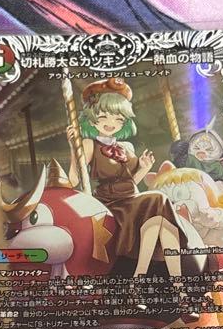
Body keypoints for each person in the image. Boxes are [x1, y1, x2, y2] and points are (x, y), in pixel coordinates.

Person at [67, 78, 196, 278]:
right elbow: (74, 180)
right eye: (104, 116)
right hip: (111, 205)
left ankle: (169, 280)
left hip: (131, 200)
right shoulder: (89, 144)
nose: (111, 123)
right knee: (158, 199)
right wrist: (72, 148)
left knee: (161, 222)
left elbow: (131, 182)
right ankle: (146, 274)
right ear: (92, 118)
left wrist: (144, 168)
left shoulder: (125, 148)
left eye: (118, 119)